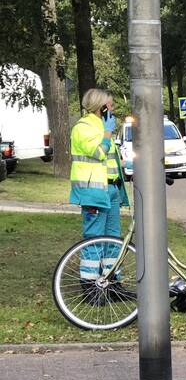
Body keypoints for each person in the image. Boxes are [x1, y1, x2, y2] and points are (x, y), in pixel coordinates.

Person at [69, 89, 130, 298]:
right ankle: (90, 287)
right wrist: (107, 133)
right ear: (101, 107)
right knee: (94, 239)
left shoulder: (103, 127)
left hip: (111, 190)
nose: (113, 108)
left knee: (113, 239)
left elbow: (112, 160)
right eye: (110, 105)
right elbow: (98, 153)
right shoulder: (83, 128)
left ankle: (112, 283)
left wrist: (130, 164)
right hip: (94, 192)